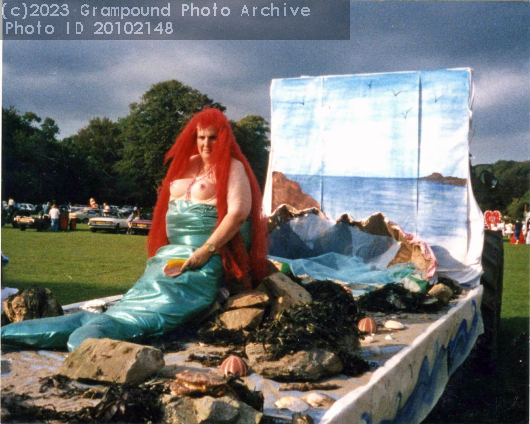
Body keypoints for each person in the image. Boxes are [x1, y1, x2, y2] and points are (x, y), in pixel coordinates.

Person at [1, 108, 269, 352]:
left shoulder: (233, 168)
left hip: (206, 258)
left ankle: (97, 332)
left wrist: (205, 251)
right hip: (170, 255)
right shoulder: (188, 163)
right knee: (137, 297)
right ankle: (86, 321)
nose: (206, 144)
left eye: (212, 138)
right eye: (201, 137)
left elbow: (237, 215)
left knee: (161, 305)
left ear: (224, 139)